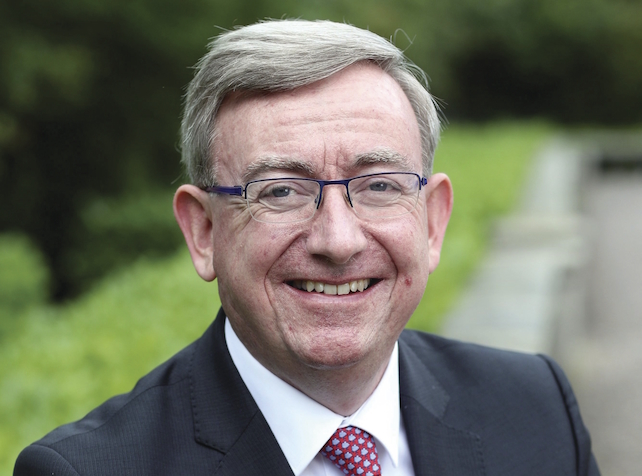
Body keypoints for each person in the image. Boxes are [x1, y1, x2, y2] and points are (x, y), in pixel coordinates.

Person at [14, 19, 599, 476]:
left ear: (432, 222)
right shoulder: (85, 472)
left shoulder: (535, 408)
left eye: (378, 186)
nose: (338, 241)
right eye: (280, 191)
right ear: (203, 232)